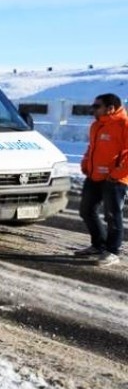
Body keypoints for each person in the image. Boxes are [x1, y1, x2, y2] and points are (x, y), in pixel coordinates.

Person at [75, 93, 128, 266]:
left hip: (115, 179)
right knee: (86, 210)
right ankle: (98, 245)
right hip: (94, 176)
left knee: (112, 215)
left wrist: (116, 174)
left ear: (110, 108)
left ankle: (112, 251)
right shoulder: (96, 125)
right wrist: (85, 162)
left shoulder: (124, 125)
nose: (93, 109)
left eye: (97, 106)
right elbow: (92, 147)